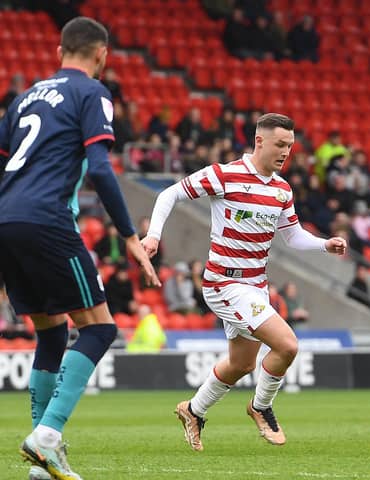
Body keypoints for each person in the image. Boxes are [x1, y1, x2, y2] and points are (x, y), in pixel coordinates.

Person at [0, 17, 160, 480]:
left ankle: (40, 462)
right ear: (102, 55)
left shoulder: (25, 97)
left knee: (50, 334)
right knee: (100, 329)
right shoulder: (91, 93)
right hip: (47, 220)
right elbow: (101, 169)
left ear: (58, 51)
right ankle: (47, 436)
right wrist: (129, 235)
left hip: (7, 220)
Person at [141, 113, 346, 451]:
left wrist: (324, 244)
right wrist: (153, 236)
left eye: (290, 147)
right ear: (259, 141)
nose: (285, 152)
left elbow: (292, 237)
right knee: (287, 345)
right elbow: (170, 194)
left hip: (255, 286)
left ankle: (193, 411)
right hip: (223, 283)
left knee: (242, 364)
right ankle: (261, 406)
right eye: (280, 145)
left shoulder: (281, 189)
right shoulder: (225, 175)